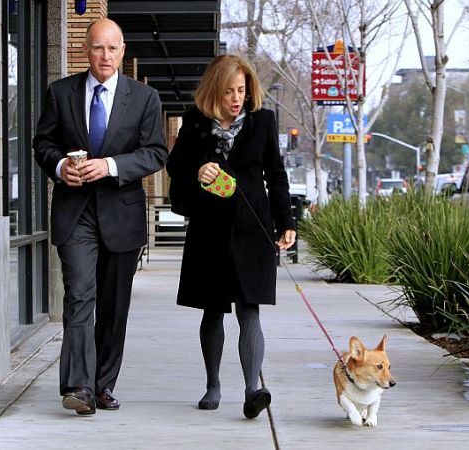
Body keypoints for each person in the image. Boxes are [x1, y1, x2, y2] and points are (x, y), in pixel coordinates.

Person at [33, 18, 168, 415]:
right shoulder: (60, 93)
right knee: (79, 298)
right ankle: (78, 387)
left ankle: (103, 384)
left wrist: (109, 165)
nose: (105, 56)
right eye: (97, 47)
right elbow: (43, 142)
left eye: (112, 48)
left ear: (122, 51)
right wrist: (60, 167)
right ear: (85, 50)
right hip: (76, 214)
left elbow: (156, 153)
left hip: (121, 214)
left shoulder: (144, 98)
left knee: (113, 306)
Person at [166, 54, 296, 419]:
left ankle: (253, 389)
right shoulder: (194, 124)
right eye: (228, 92)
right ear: (214, 92)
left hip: (253, 228)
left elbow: (276, 174)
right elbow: (174, 166)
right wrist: (198, 168)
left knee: (249, 309)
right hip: (209, 230)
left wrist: (286, 221)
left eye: (241, 90)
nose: (236, 98)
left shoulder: (262, 122)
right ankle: (213, 385)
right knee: (212, 310)